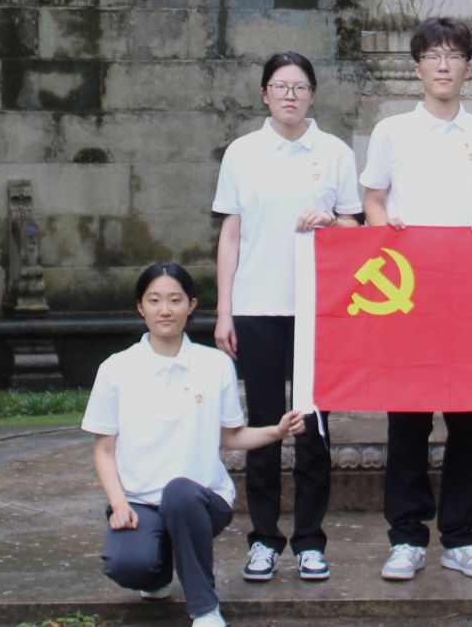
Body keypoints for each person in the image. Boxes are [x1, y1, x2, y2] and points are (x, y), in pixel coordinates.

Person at [360, 16, 472, 581]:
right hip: (407, 295)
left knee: (470, 420)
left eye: (454, 56)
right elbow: (372, 200)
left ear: (468, 67)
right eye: (433, 56)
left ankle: (463, 537)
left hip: (469, 294)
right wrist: (386, 227)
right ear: (418, 67)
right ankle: (406, 537)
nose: (443, 66)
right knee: (407, 417)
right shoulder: (392, 131)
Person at [84, 262, 307, 627]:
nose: (165, 310)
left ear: (191, 305)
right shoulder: (116, 369)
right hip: (140, 502)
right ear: (140, 307)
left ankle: (205, 609)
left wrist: (276, 431)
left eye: (175, 300)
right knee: (127, 565)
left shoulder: (214, 365)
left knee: (180, 494)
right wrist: (119, 503)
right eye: (154, 300)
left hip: (202, 500)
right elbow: (104, 450)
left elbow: (231, 436)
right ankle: (156, 574)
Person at [211, 51, 361, 584]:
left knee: (314, 427)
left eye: (299, 87)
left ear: (313, 94)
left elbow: (356, 228)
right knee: (265, 424)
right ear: (264, 94)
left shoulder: (335, 152)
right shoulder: (243, 152)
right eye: (280, 86)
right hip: (256, 306)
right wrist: (224, 310)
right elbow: (231, 233)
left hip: (318, 308)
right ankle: (263, 539)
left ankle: (311, 541)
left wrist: (331, 221)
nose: (290, 95)